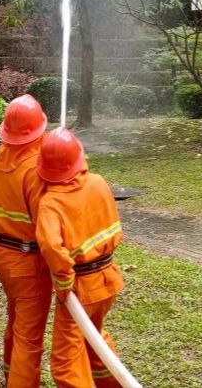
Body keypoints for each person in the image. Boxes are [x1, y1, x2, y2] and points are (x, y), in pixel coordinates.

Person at [35, 127, 125, 388]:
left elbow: (52, 249)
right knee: (92, 339)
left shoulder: (50, 203)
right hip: (107, 280)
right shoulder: (98, 183)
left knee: (66, 362)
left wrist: (64, 289)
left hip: (81, 290)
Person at [0, 94, 51, 388]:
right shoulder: (34, 169)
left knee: (15, 321)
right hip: (29, 262)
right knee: (29, 336)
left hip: (3, 255)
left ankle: (10, 376)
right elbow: (44, 224)